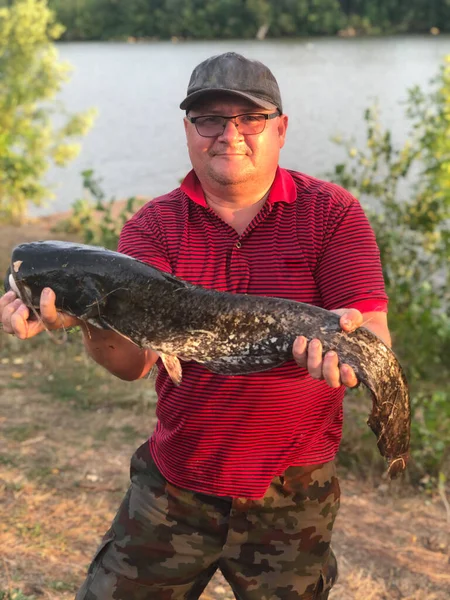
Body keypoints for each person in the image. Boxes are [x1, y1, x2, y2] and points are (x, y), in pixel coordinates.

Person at [0, 52, 390, 600]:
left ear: (280, 128)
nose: (229, 134)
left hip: (295, 488)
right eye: (209, 118)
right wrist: (84, 316)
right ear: (188, 130)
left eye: (249, 118)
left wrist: (352, 355)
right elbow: (132, 364)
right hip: (177, 482)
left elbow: (371, 327)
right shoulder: (151, 227)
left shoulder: (333, 213)